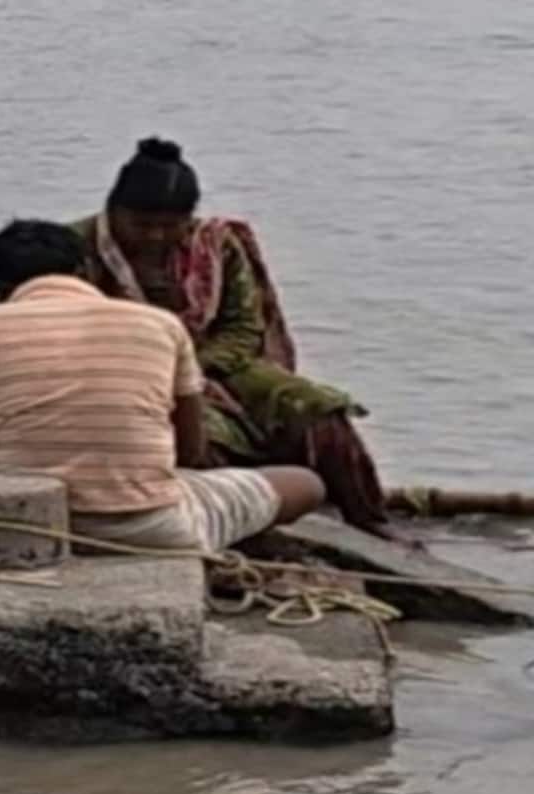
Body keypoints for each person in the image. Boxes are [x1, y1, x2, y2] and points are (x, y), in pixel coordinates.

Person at [0, 219, 324, 556]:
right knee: (303, 483)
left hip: (16, 519)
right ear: (82, 269)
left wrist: (1, 445)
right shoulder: (159, 324)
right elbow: (189, 451)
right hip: (155, 528)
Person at [70, 137, 394, 536]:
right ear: (114, 212)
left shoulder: (218, 245)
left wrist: (195, 369)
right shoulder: (74, 249)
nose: (155, 237)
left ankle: (369, 519)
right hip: (120, 370)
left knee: (316, 408)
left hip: (215, 361)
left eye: (169, 226)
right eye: (142, 225)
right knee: (194, 434)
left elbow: (243, 327)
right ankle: (231, 521)